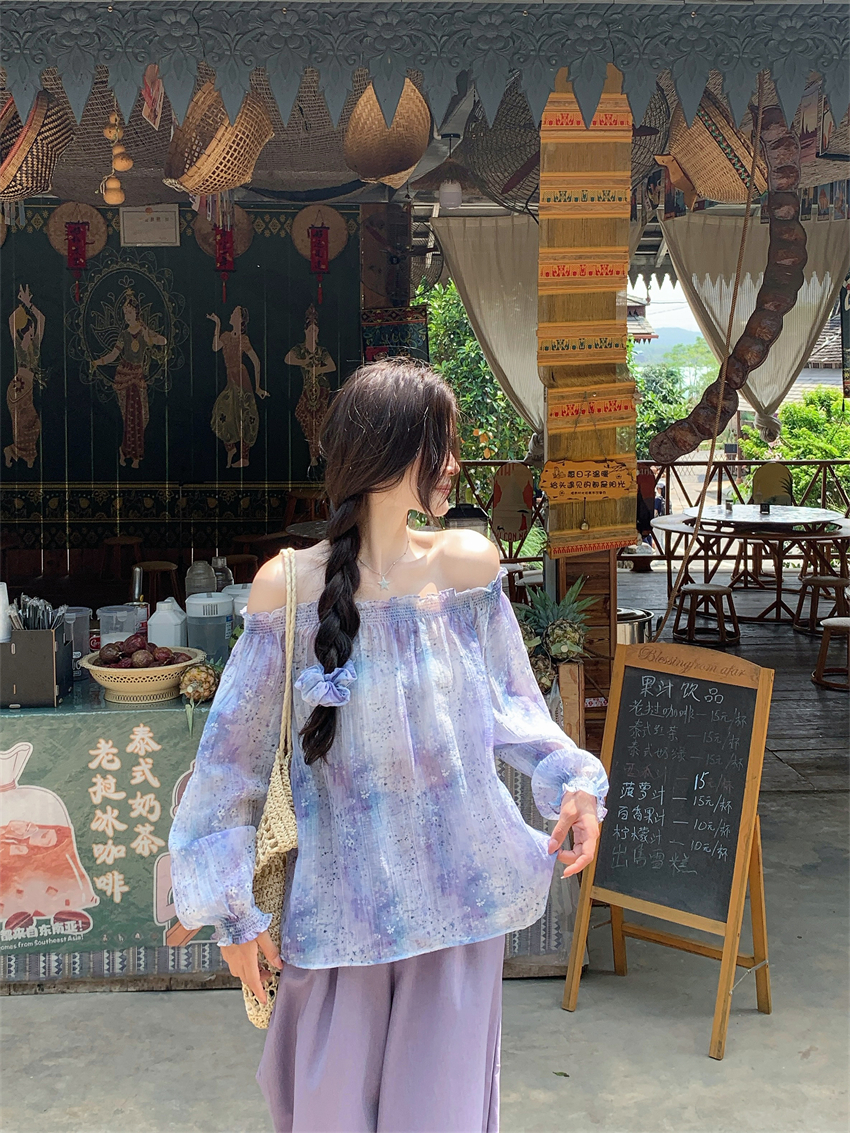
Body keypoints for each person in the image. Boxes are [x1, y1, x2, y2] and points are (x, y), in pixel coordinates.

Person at [169, 359, 608, 1133]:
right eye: (440, 444)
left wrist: (573, 779)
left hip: (457, 914)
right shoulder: (287, 589)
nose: (455, 463)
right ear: (386, 451)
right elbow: (229, 767)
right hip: (337, 921)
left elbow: (515, 708)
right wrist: (234, 911)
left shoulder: (468, 568)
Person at [92, 290, 167, 468]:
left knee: (140, 416)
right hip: (125, 375)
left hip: (138, 376)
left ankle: (133, 453)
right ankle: (128, 453)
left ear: (137, 313)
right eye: (125, 313)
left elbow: (163, 341)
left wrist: (149, 335)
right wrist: (98, 362)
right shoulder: (124, 334)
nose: (127, 316)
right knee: (130, 417)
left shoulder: (143, 331)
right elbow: (113, 355)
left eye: (130, 312)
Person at [209, 305, 268, 469]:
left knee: (244, 413)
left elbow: (256, 362)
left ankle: (244, 457)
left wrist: (257, 387)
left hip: (242, 378)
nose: (231, 314)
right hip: (231, 377)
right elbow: (215, 347)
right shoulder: (226, 336)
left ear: (241, 319)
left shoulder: (244, 339)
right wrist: (217, 324)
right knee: (223, 410)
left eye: (234, 313)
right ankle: (231, 448)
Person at [5, 284, 45, 469]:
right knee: (23, 424)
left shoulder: (35, 345)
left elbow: (42, 318)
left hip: (27, 388)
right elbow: (10, 321)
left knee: (32, 424)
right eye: (29, 328)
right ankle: (21, 454)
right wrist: (20, 306)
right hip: (18, 388)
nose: (32, 330)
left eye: (32, 328)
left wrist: (29, 304)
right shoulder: (19, 344)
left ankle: (15, 451)